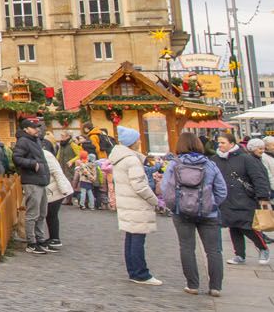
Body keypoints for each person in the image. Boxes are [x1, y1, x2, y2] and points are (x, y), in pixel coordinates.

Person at [160, 131, 229, 296]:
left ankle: (193, 285)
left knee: (186, 247)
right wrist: (211, 204)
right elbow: (222, 190)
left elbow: (165, 189)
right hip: (209, 213)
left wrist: (175, 206)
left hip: (182, 212)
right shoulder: (210, 164)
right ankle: (215, 287)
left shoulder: (174, 165)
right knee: (213, 250)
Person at [109, 126, 161, 285]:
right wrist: (155, 200)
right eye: (137, 139)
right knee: (137, 238)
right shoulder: (132, 160)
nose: (139, 141)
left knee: (131, 237)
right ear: (132, 142)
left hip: (127, 203)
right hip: (136, 204)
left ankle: (133, 271)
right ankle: (140, 273)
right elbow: (140, 186)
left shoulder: (120, 158)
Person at [213, 132, 272, 266]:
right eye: (219, 142)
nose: (220, 145)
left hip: (245, 198)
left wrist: (263, 197)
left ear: (232, 144)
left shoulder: (246, 158)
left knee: (248, 226)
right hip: (226, 199)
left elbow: (258, 177)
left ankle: (263, 248)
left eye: (223, 142)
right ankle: (239, 254)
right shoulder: (215, 160)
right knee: (233, 227)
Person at [14, 117, 54, 254]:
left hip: (41, 180)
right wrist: (33, 164)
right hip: (31, 180)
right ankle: (31, 242)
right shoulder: (23, 141)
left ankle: (40, 239)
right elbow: (17, 158)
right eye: (34, 127)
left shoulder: (35, 140)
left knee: (42, 213)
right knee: (33, 213)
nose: (37, 129)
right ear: (26, 129)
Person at [44, 143, 72, 247]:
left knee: (52, 214)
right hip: (52, 190)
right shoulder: (43, 155)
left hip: (57, 190)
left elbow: (57, 173)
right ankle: (53, 238)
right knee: (50, 215)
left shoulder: (46, 156)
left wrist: (63, 190)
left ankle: (55, 239)